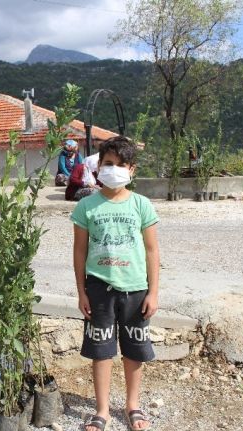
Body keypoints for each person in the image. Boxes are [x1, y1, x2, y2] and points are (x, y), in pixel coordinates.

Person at [71, 136, 160, 431]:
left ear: (132, 170)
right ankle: (102, 409)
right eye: (109, 164)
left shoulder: (141, 205)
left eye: (122, 165)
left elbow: (151, 250)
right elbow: (80, 251)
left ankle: (133, 405)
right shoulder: (86, 206)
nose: (115, 170)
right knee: (101, 350)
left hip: (135, 288)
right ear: (99, 167)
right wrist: (82, 291)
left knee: (134, 349)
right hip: (99, 289)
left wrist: (153, 292)